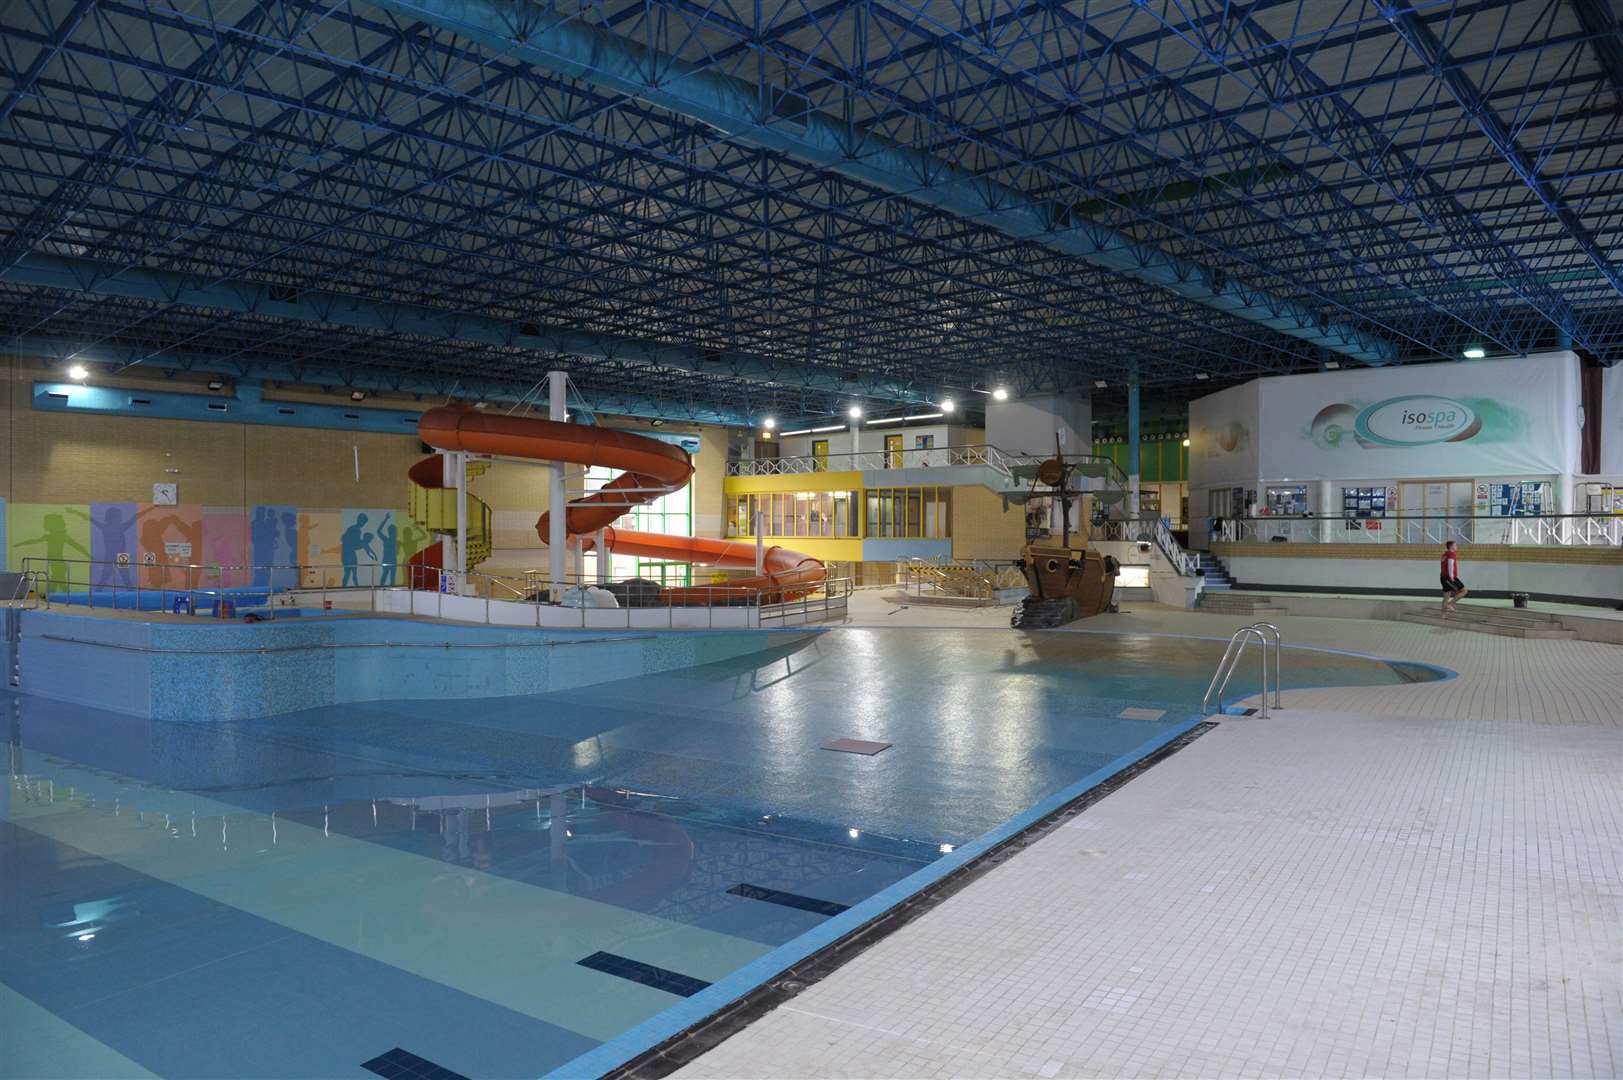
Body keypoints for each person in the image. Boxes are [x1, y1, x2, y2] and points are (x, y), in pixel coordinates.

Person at [1440, 540, 1467, 612]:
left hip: (1443, 577)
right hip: (1449, 577)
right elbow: (1450, 565)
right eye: (1455, 545)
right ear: (1451, 546)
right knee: (1464, 591)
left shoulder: (1445, 554)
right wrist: (1451, 577)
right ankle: (1450, 604)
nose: (1456, 546)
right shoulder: (1451, 554)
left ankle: (1443, 616)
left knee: (1446, 596)